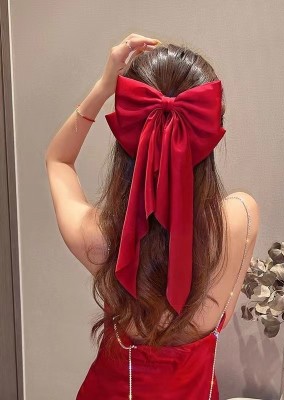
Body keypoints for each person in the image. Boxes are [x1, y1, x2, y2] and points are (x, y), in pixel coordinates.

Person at [45, 32, 259, 400]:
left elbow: (58, 160)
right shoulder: (243, 217)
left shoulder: (102, 238)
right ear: (210, 133)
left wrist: (103, 87)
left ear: (127, 132)